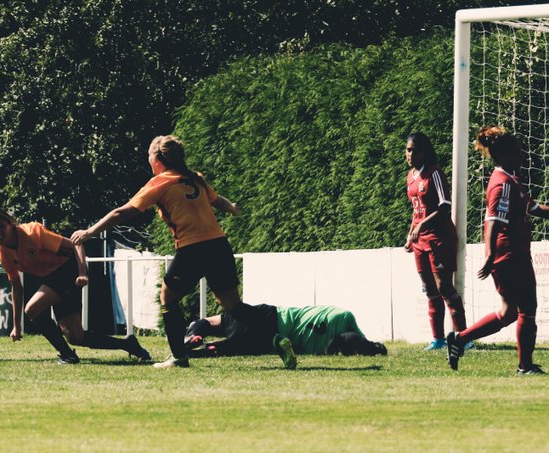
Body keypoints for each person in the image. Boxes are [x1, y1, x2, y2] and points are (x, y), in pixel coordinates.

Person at [71, 135, 296, 369]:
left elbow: (123, 213)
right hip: (219, 245)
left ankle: (178, 357)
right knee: (233, 307)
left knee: (168, 299)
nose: (148, 159)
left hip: (193, 248)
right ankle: (277, 340)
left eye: (149, 154)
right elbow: (217, 201)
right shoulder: (194, 178)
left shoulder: (160, 182)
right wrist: (232, 208)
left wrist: (90, 232)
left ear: (157, 159)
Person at [0, 208, 150, 364]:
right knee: (76, 337)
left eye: (1, 226)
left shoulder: (33, 233)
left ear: (11, 224)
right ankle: (128, 344)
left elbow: (75, 244)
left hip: (68, 270)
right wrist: (17, 326)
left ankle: (67, 355)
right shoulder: (2, 252)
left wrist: (82, 272)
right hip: (52, 277)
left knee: (32, 309)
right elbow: (16, 288)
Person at [446, 126, 549, 374]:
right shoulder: (502, 184)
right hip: (510, 254)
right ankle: (525, 367)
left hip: (511, 253)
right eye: (517, 152)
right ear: (504, 155)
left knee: (509, 313)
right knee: (527, 309)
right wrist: (490, 255)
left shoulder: (511, 180)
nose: (521, 157)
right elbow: (492, 220)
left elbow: (534, 209)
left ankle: (459, 340)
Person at [403, 132, 471, 351]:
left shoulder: (435, 174)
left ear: (425, 152)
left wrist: (422, 225)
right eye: (408, 150)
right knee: (429, 288)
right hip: (419, 241)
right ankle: (438, 339)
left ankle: (464, 337)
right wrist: (411, 232)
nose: (410, 154)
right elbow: (416, 211)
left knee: (444, 287)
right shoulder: (411, 176)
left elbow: (445, 207)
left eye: (414, 150)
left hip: (439, 238)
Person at [183, 303, 387, 358]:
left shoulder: (232, 318)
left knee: (224, 346)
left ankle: (190, 346)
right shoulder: (234, 318)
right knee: (224, 349)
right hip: (274, 321)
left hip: (273, 319)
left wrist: (193, 334)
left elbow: (204, 322)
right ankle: (194, 348)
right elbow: (206, 323)